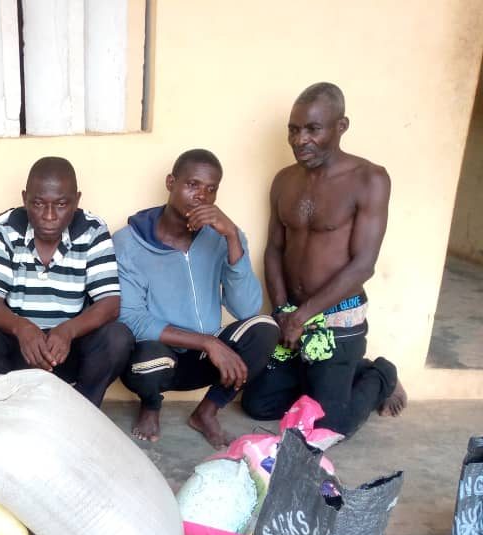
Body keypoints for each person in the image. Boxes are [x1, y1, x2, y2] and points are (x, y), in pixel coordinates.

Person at [241, 82, 407, 436]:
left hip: (338, 318)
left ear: (341, 126)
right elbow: (274, 249)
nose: (300, 140)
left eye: (313, 129)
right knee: (258, 404)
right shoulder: (284, 180)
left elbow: (363, 264)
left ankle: (380, 374)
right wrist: (283, 310)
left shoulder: (369, 179)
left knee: (327, 427)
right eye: (293, 130)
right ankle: (333, 377)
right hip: (292, 317)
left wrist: (302, 316)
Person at [114, 149, 280, 449]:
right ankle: (150, 405)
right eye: (192, 185)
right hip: (160, 357)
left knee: (264, 328)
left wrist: (232, 238)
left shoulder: (222, 237)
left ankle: (206, 412)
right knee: (145, 358)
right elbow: (131, 318)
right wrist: (207, 342)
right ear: (171, 183)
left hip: (207, 360)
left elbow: (247, 308)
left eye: (211, 189)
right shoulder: (128, 242)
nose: (201, 196)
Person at [0, 156, 132, 406]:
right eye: (38, 203)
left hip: (69, 347)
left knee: (118, 337)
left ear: (77, 200)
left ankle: (82, 408)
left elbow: (109, 303)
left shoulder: (93, 229)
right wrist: (22, 328)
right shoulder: (3, 228)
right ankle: (6, 409)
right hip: (20, 348)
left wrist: (68, 330)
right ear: (25, 198)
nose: (49, 215)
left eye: (61, 204)